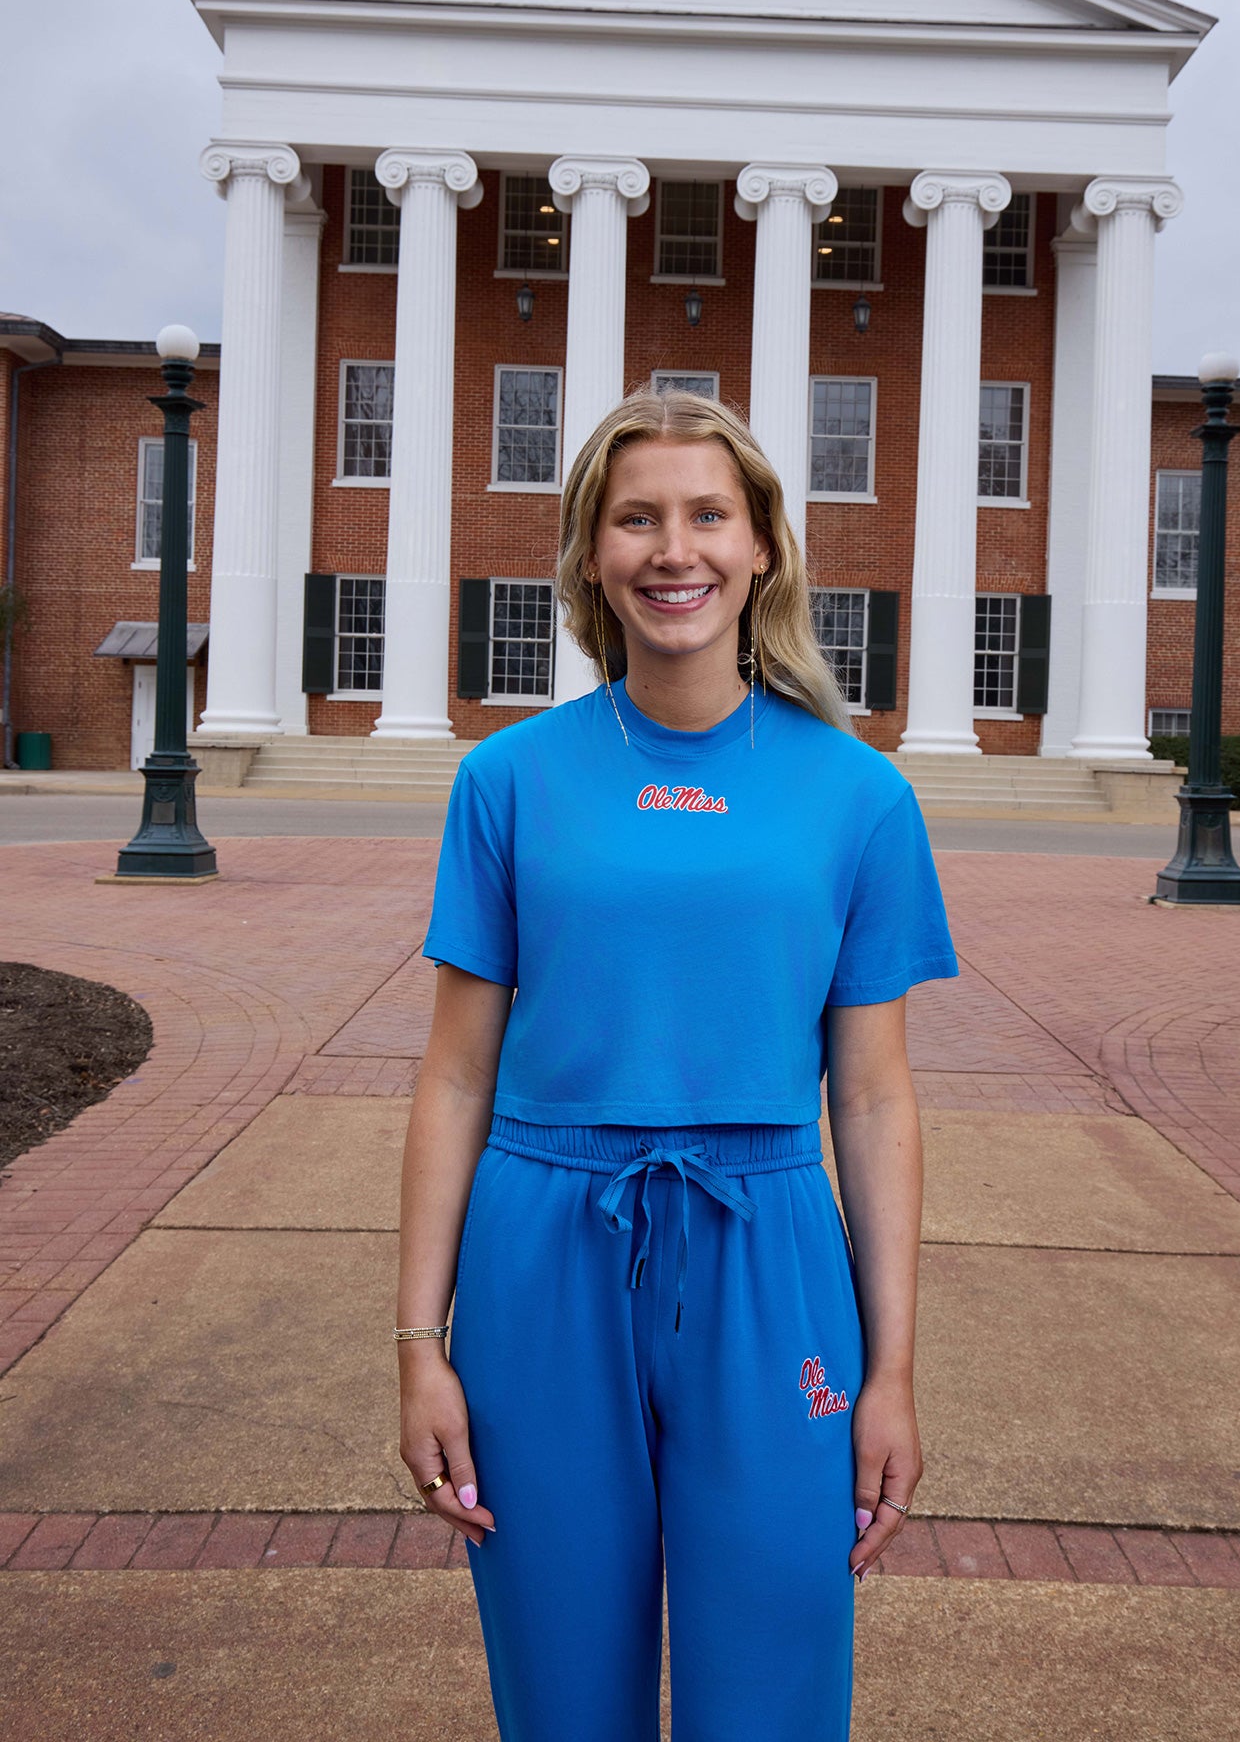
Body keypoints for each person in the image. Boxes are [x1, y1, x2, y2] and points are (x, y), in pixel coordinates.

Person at [396, 388, 959, 1742]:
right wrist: (418, 1344)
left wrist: (889, 1371)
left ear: (761, 543)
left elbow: (873, 1098)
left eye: (707, 513)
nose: (673, 549)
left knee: (769, 1679)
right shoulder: (507, 779)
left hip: (770, 1246)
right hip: (540, 1244)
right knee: (561, 1683)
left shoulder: (858, 794)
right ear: (591, 553)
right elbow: (455, 1075)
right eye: (634, 517)